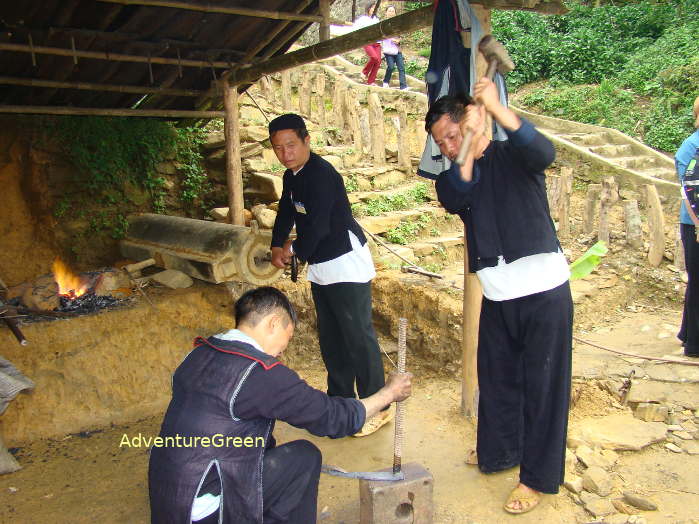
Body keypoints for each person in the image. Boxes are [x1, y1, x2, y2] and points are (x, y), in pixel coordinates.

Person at [424, 78, 573, 514]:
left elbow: (544, 152)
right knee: (498, 382)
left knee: (544, 387)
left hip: (544, 291)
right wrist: (465, 149)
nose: (448, 146)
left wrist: (495, 107)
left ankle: (537, 478)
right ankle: (500, 453)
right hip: (498, 295)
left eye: (452, 135)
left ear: (472, 123)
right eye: (441, 142)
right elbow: (455, 196)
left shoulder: (513, 157)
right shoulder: (456, 176)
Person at [148, 286, 412, 523]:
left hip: (170, 500)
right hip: (206, 512)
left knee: (265, 447)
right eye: (285, 341)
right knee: (304, 457)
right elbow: (332, 418)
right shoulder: (260, 372)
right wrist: (388, 394)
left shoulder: (199, 352)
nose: (281, 352)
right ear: (274, 323)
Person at [268, 113, 393, 437]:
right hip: (322, 264)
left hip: (345, 261)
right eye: (278, 148)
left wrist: (292, 251)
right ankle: (340, 402)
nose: (286, 153)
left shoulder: (321, 175)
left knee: (358, 337)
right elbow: (286, 210)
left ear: (307, 141)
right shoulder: (292, 175)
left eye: (291, 145)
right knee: (332, 338)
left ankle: (377, 406)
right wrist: (274, 244)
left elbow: (320, 225)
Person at [676, 96, 699, 358]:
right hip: (694, 223)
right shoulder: (691, 147)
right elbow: (689, 190)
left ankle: (688, 333)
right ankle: (694, 343)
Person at [330, 1, 381, 85]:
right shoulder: (363, 19)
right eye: (372, 7)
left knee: (378, 62)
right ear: (368, 8)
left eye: (375, 8)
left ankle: (371, 81)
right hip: (367, 41)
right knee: (374, 57)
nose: (373, 9)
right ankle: (364, 73)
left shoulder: (376, 19)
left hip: (377, 42)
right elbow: (354, 28)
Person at [381, 5, 408, 90]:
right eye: (389, 11)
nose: (391, 12)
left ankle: (403, 86)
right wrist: (389, 38)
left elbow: (402, 35)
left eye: (393, 11)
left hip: (397, 49)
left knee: (401, 68)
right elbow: (380, 35)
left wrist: (399, 40)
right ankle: (385, 81)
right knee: (391, 67)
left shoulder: (398, 23)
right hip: (388, 50)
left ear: (395, 13)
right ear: (386, 13)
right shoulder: (382, 24)